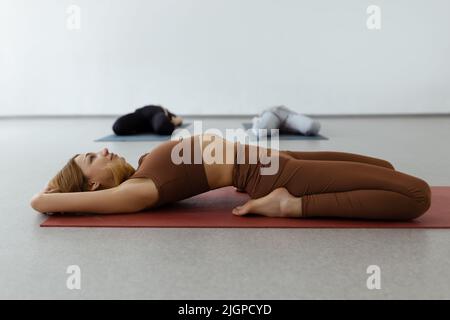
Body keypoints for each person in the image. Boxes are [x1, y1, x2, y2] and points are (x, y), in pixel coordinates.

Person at [30, 134, 431, 220]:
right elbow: (41, 202)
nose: (102, 150)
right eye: (90, 159)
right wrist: (52, 188)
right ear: (94, 185)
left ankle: (293, 197)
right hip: (278, 176)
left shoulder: (141, 167)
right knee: (417, 195)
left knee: (385, 169)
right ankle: (291, 205)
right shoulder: (135, 190)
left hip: (279, 158)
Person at [251, 105, 321, 136]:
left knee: (313, 126)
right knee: (261, 130)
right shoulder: (271, 112)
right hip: (273, 113)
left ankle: (281, 128)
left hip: (287, 115)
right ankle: (257, 120)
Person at [112, 105, 183, 135]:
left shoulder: (164, 112)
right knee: (117, 127)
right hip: (141, 115)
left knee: (162, 126)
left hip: (156, 115)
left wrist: (174, 122)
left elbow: (179, 120)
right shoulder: (142, 111)